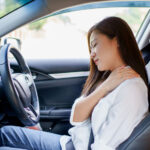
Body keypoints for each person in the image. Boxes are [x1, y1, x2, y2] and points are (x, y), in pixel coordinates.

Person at [0, 16, 149, 150]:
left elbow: (103, 147)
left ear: (117, 41)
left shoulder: (131, 89)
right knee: (5, 133)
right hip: (71, 143)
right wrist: (106, 86)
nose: (92, 54)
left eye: (95, 44)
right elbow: (76, 117)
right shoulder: (110, 79)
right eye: (91, 48)